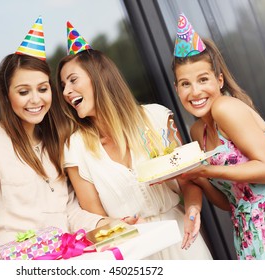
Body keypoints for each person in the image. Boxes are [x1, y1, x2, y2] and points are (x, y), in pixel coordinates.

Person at [54, 21, 213, 259]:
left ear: (99, 77)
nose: (66, 92)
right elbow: (96, 218)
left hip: (181, 241)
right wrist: (112, 226)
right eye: (63, 85)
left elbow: (188, 180)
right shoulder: (75, 148)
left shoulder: (158, 118)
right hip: (132, 251)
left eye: (73, 80)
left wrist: (192, 210)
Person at [0, 17, 108, 260]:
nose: (36, 100)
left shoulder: (56, 140)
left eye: (43, 89)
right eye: (24, 91)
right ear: (6, 95)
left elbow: (68, 211)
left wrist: (104, 224)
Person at [172, 13, 265, 260]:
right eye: (185, 83)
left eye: (203, 79)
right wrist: (194, 176)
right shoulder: (196, 132)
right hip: (247, 231)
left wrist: (205, 171)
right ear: (176, 89)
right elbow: (230, 201)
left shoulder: (225, 108)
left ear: (219, 80)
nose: (195, 91)